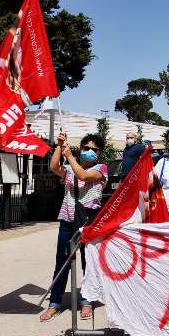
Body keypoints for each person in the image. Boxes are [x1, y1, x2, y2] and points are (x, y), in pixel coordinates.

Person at [40, 132, 108, 322]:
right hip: (68, 221)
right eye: (86, 148)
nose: (89, 152)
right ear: (81, 148)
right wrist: (59, 147)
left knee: (89, 263)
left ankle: (87, 301)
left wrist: (69, 155)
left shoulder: (101, 169)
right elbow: (54, 167)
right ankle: (54, 303)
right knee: (62, 261)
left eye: (94, 149)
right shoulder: (69, 168)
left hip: (89, 223)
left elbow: (84, 176)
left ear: (99, 153)